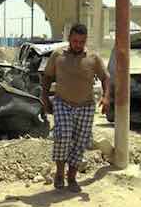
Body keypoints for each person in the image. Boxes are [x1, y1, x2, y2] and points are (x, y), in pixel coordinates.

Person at [41, 23, 110, 193]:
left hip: (86, 106)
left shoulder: (93, 58)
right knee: (62, 137)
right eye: (75, 41)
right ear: (69, 39)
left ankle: (71, 177)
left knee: (80, 143)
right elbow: (47, 76)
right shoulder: (58, 55)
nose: (78, 44)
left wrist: (106, 97)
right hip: (62, 103)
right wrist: (44, 97)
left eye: (81, 41)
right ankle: (59, 173)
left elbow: (105, 78)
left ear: (85, 41)